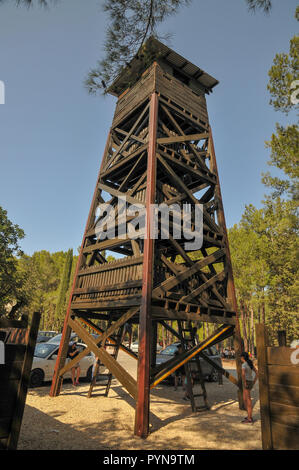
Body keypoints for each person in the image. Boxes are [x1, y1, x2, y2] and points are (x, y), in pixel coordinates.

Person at [240, 351, 258, 424]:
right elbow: (257, 372)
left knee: (248, 400)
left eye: (241, 357)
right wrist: (254, 381)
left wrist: (244, 383)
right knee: (245, 399)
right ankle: (249, 415)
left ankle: (249, 418)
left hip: (246, 382)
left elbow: (243, 375)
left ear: (242, 357)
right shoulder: (250, 364)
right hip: (250, 381)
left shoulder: (244, 365)